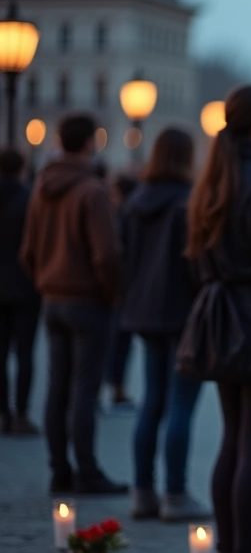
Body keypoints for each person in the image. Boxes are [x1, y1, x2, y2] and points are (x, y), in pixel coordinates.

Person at [186, 85, 251, 553]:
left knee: (232, 441)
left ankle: (230, 546)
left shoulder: (214, 176)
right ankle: (246, 548)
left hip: (220, 316)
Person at [20, 114, 128, 495]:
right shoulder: (92, 190)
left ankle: (59, 470)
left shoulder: (41, 187)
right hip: (87, 300)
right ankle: (87, 470)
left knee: (57, 387)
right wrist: (110, 293)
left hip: (53, 297)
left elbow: (28, 249)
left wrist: (45, 280)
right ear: (89, 143)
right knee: (84, 389)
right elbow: (108, 254)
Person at [120, 128, 208, 521]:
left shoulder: (135, 201)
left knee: (152, 400)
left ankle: (142, 490)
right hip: (182, 312)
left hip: (144, 311)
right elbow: (195, 263)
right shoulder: (188, 204)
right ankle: (175, 492)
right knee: (181, 405)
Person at [0, 148, 41, 435]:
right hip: (25, 286)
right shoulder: (29, 201)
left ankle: (3, 412)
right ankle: (21, 412)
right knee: (25, 353)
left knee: (0, 353)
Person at [106, 174, 139, 413]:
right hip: (129, 289)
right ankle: (115, 388)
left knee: (115, 342)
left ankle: (114, 388)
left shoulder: (123, 214)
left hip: (119, 288)